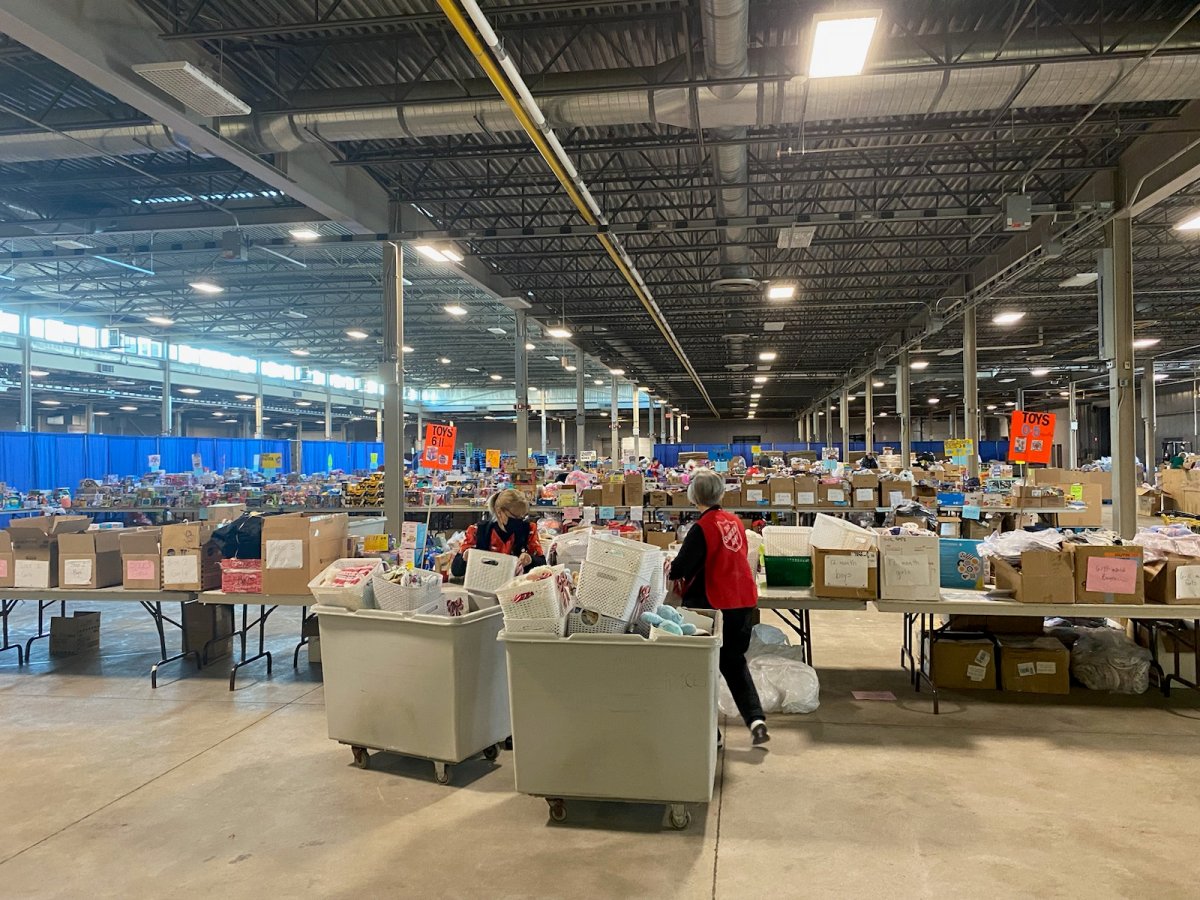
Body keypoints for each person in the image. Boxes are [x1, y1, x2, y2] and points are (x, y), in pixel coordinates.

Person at [667, 468, 769, 746]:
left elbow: (680, 568)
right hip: (743, 601)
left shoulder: (702, 527)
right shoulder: (735, 522)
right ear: (721, 493)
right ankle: (756, 719)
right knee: (735, 663)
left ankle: (714, 735)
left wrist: (669, 566)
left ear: (692, 496)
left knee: (704, 669)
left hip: (714, 605)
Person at [451, 488, 546, 577]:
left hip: (516, 588)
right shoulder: (478, 531)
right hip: (483, 585)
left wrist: (530, 559)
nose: (519, 521)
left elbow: (543, 564)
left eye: (522, 517)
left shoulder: (528, 530)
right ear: (499, 512)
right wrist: (465, 557)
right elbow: (456, 571)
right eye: (515, 517)